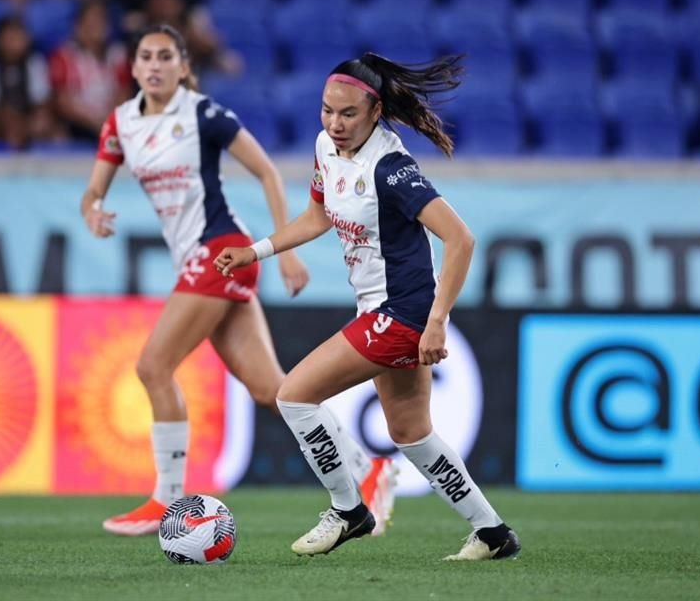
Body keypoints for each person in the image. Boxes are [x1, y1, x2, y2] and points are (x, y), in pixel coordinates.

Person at [81, 24, 398, 537]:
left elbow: (268, 172)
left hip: (222, 249)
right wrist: (93, 210)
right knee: (271, 390)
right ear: (134, 67)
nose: (156, 65)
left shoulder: (203, 114)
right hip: (202, 258)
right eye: (146, 56)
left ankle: (168, 499)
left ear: (184, 67)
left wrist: (285, 253)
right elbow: (93, 190)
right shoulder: (120, 124)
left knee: (153, 365)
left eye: (167, 56)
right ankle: (368, 470)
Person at [213, 52, 522, 561]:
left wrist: (436, 323)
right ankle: (492, 533)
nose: (334, 123)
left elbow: (461, 240)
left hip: (401, 313)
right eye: (327, 110)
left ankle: (347, 510)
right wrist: (257, 250)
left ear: (375, 112)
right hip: (377, 307)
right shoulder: (326, 148)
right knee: (411, 432)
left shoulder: (391, 168)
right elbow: (316, 218)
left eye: (348, 114)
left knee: (294, 395)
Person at [0, 15, 58, 150]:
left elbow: (41, 101)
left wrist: (37, 119)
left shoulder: (35, 62)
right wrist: (13, 124)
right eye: (10, 37)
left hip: (26, 119)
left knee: (51, 129)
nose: (15, 42)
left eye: (19, 37)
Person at [49, 0, 132, 144]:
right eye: (91, 22)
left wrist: (108, 121)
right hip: (78, 123)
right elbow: (64, 102)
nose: (97, 27)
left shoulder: (118, 54)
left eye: (101, 21)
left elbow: (123, 94)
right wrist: (95, 122)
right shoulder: (64, 56)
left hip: (112, 121)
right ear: (78, 26)